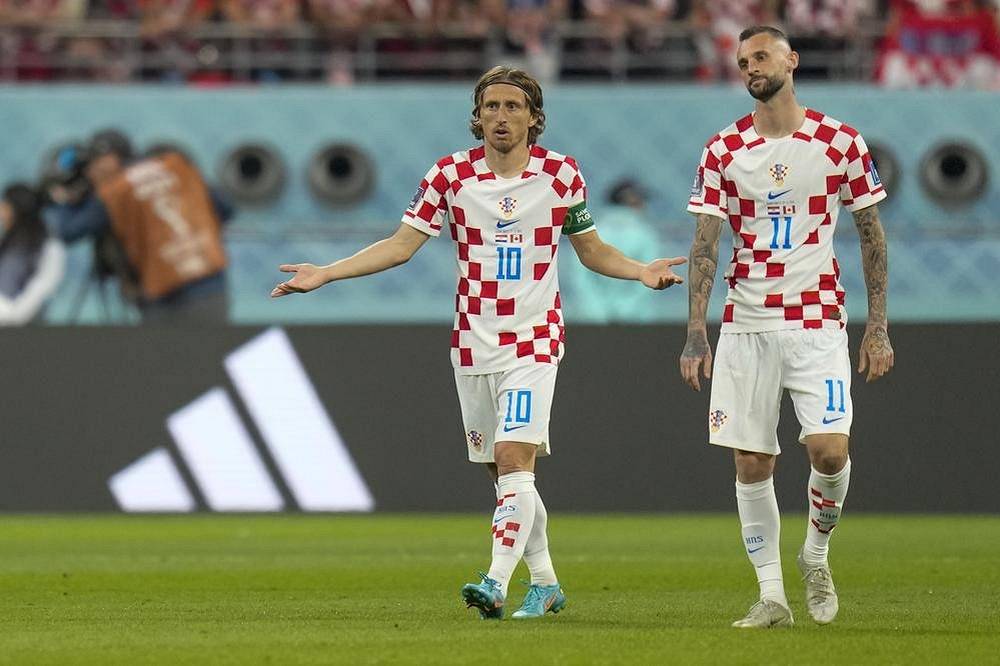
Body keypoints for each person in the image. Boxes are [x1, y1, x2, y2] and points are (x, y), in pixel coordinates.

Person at [272, 65, 686, 620]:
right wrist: (327, 272)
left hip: (535, 338)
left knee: (515, 456)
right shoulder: (450, 176)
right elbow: (400, 246)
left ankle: (495, 582)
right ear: (478, 116)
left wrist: (640, 271)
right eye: (492, 106)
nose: (501, 116)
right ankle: (546, 583)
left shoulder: (560, 174)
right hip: (472, 342)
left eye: (513, 106)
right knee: (504, 473)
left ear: (534, 118)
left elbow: (591, 251)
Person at [681, 26, 894, 628]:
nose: (751, 67)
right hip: (746, 322)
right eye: (742, 60)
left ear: (792, 60)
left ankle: (815, 555)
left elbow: (872, 237)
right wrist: (696, 331)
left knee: (830, 450)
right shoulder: (723, 149)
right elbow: (705, 245)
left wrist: (877, 327)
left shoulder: (839, 141)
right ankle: (771, 596)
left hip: (818, 320)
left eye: (761, 56)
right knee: (752, 463)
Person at [48, 129, 233, 324]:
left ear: (109, 160)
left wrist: (64, 199)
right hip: (210, 282)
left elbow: (68, 231)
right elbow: (226, 208)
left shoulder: (116, 192)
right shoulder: (176, 167)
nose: (91, 173)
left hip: (166, 295)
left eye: (92, 165)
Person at [567, 179, 664, 322]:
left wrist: (594, 307)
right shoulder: (645, 234)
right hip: (636, 320)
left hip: (592, 318)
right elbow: (652, 274)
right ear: (632, 201)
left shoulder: (590, 231)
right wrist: (629, 305)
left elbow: (581, 277)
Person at [0, 183, 65, 325]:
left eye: (5, 207)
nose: (1, 214)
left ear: (17, 209)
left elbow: (41, 288)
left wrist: (11, 317)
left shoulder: (49, 247)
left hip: (17, 323)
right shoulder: (7, 243)